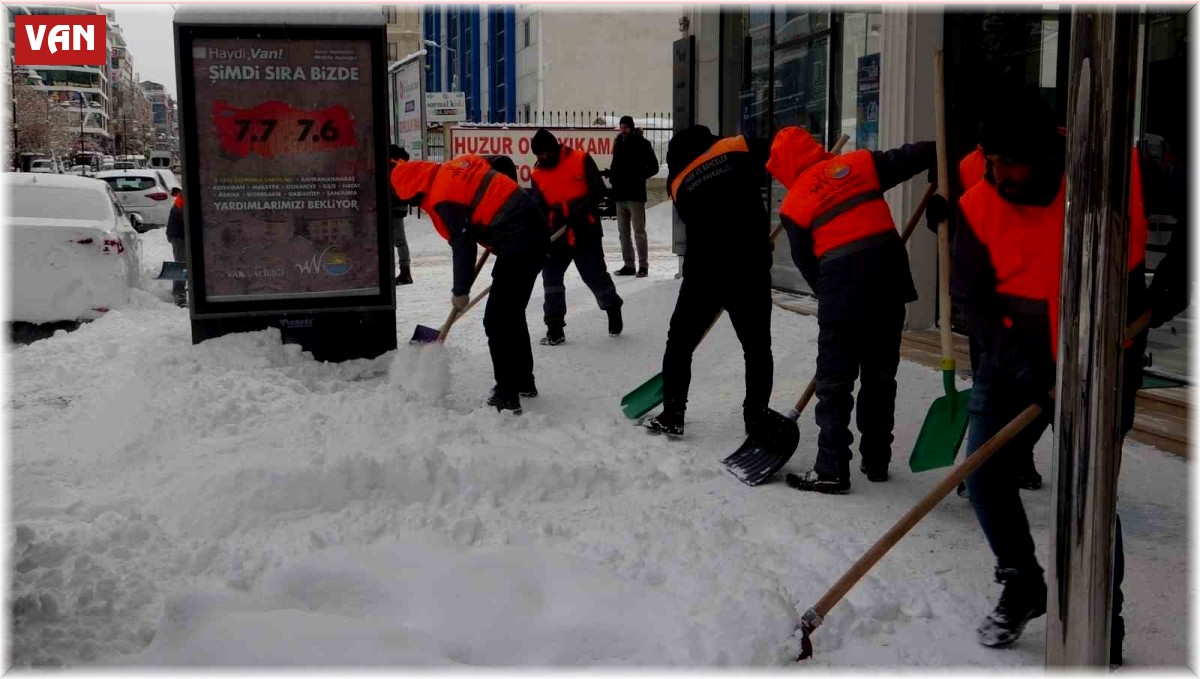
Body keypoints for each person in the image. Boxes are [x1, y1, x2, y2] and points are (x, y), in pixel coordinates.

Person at [950, 87, 1180, 662]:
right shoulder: (978, 201)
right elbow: (973, 303)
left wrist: (1171, 289)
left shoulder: (1116, 171)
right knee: (984, 475)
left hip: (1105, 357)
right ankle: (1023, 582)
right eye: (990, 159)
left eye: (1008, 161)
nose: (996, 172)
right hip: (1013, 360)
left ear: (1045, 154)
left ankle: (1103, 622)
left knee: (1089, 494)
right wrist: (1029, 372)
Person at [767, 127, 935, 494]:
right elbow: (910, 157)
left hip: (841, 290)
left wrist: (834, 297)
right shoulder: (858, 164)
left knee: (834, 383)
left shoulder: (794, 204)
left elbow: (808, 265)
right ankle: (876, 461)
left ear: (782, 166)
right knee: (879, 378)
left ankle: (831, 466)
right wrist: (937, 157)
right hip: (888, 283)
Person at [390, 155, 550, 414]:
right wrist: (500, 198)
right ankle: (523, 381)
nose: (420, 206)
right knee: (511, 313)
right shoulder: (455, 165)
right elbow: (499, 162)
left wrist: (460, 292)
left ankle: (507, 395)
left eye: (415, 201)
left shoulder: (443, 197)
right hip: (526, 230)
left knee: (497, 321)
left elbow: (463, 244)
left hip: (521, 241)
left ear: (416, 190)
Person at [642, 126, 773, 438]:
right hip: (749, 266)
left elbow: (701, 216)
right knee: (756, 349)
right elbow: (779, 151)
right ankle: (755, 420)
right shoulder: (737, 146)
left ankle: (673, 413)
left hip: (705, 272)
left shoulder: (677, 183)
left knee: (680, 342)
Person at [529, 128, 624, 345]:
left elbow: (598, 190)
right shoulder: (537, 174)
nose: (542, 157)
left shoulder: (580, 159)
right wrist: (541, 233)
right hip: (556, 234)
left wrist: (578, 213)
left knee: (595, 276)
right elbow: (539, 208)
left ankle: (612, 307)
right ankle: (554, 328)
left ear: (555, 148)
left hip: (585, 231)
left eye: (545, 152)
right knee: (551, 280)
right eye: (538, 154)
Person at [604, 115, 660, 277]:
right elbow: (616, 165)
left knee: (639, 232)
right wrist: (613, 177)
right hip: (620, 195)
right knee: (623, 233)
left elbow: (654, 167)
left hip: (635, 195)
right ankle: (629, 265)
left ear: (632, 127)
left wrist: (638, 176)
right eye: (621, 127)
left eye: (626, 127)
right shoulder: (619, 143)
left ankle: (643, 266)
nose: (623, 130)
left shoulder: (642, 144)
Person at [388, 144, 414, 285]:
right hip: (399, 204)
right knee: (399, 240)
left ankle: (405, 273)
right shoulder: (400, 162)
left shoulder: (391, 163)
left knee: (397, 240)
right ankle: (405, 271)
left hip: (392, 205)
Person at [165, 187, 187, 307]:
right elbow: (182, 213)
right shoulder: (186, 193)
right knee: (181, 262)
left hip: (186, 232)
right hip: (178, 234)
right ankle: (179, 293)